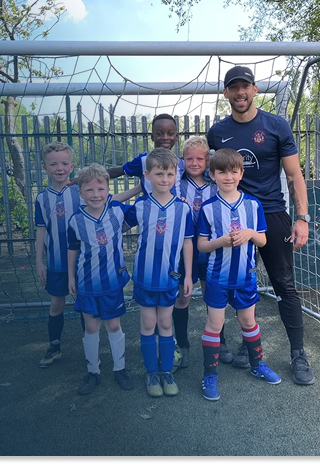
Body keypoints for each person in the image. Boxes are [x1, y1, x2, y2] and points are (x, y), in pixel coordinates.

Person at [206, 66, 315, 385]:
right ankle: (241, 344)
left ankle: (298, 354)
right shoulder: (217, 132)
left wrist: (302, 218)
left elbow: (295, 175)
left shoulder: (276, 125)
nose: (240, 92)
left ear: (255, 90)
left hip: (270, 215)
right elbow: (206, 169)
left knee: (284, 284)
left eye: (245, 86)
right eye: (233, 87)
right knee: (234, 283)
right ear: (225, 93)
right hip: (231, 218)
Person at [197, 148, 281, 401]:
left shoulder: (253, 205)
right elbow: (201, 246)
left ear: (241, 174)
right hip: (217, 278)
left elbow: (263, 240)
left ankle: (257, 366)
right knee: (215, 324)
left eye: (233, 172)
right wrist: (220, 241)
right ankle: (209, 375)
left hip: (245, 277)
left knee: (248, 322)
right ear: (212, 175)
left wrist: (250, 234)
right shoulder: (208, 208)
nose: (228, 177)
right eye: (221, 172)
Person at [124, 148, 194, 398]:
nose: (164, 179)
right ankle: (151, 373)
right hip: (144, 278)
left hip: (169, 278)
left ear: (176, 176)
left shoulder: (184, 209)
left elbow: (188, 242)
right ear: (147, 175)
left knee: (166, 323)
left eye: (169, 174)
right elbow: (114, 227)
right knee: (148, 324)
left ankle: (167, 372)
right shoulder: (140, 206)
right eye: (159, 174)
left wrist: (187, 276)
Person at [67, 163, 135, 395]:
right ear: (80, 193)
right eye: (89, 190)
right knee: (91, 327)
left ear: (108, 190)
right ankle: (93, 372)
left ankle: (120, 369)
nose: (95, 194)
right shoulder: (75, 221)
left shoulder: (117, 210)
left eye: (100, 189)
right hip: (86, 283)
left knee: (114, 325)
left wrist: (140, 189)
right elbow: (73, 250)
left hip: (112, 283)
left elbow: (141, 206)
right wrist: (71, 277)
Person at [173, 136, 232, 369]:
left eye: (200, 158)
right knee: (183, 296)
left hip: (211, 250)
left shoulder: (216, 184)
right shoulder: (177, 183)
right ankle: (182, 344)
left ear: (208, 160)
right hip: (184, 249)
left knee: (213, 296)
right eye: (189, 158)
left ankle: (220, 341)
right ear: (182, 160)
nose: (195, 163)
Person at [34, 141, 81, 368]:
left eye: (64, 163)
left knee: (85, 305)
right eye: (54, 164)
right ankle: (55, 347)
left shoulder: (81, 193)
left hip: (83, 263)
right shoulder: (42, 199)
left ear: (72, 166)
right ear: (45, 167)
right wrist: (39, 262)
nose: (59, 168)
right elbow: (41, 230)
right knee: (56, 305)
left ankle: (90, 348)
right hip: (56, 263)